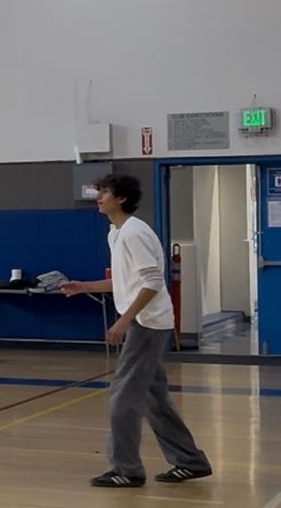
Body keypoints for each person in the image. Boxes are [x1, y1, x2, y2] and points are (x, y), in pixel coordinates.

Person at [62, 174, 212, 488]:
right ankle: (190, 461)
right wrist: (85, 286)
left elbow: (153, 281)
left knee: (123, 394)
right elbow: (125, 280)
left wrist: (124, 320)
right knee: (154, 397)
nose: (98, 197)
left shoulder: (134, 232)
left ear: (121, 198)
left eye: (105, 192)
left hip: (147, 324)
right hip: (144, 322)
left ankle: (126, 469)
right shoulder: (116, 233)